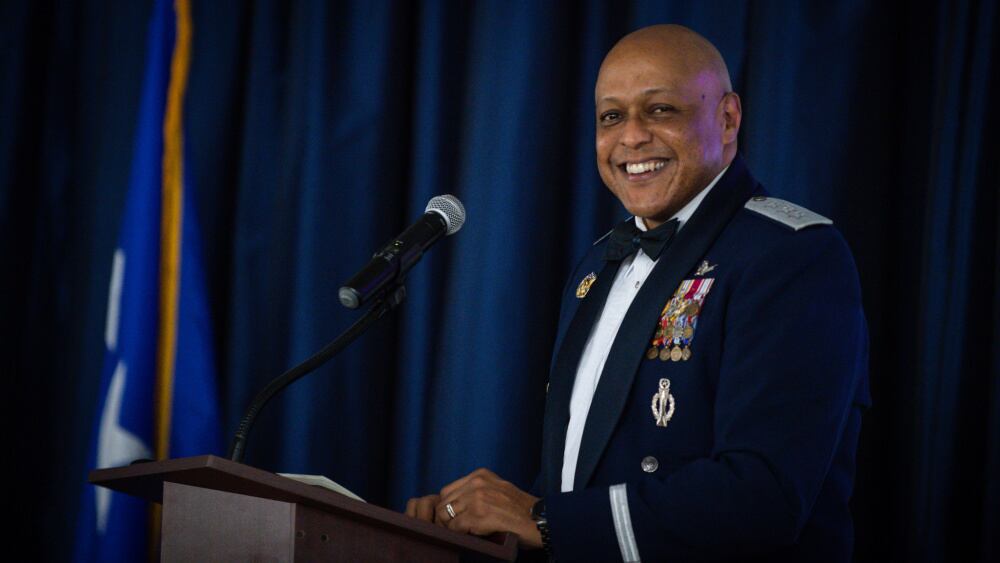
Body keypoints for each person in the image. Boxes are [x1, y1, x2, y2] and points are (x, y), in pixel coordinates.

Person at [406, 24, 869, 562]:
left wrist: (541, 519)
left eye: (660, 111)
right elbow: (584, 482)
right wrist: (480, 524)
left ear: (727, 118)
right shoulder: (599, 264)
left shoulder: (790, 257)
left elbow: (763, 496)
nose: (631, 137)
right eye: (611, 116)